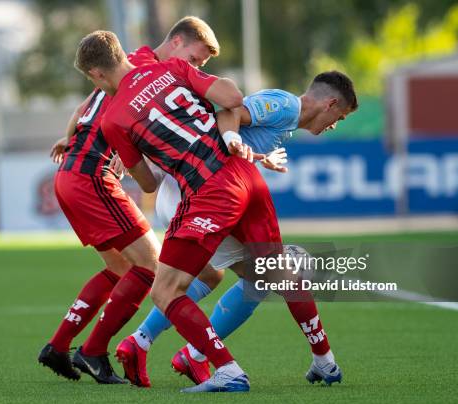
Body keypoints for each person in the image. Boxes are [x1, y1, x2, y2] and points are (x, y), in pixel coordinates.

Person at [75, 29, 283, 392]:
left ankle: (226, 369)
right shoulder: (171, 67)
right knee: (260, 272)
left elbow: (149, 184)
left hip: (205, 191)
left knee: (165, 290)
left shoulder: (113, 120)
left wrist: (140, 156)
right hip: (243, 176)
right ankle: (323, 358)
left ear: (95, 74)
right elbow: (233, 97)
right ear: (121, 53)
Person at [121, 73, 358, 387]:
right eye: (338, 117)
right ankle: (197, 354)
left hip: (202, 191)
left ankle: (146, 343)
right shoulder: (286, 105)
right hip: (202, 194)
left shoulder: (286, 121)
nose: (333, 125)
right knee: (272, 275)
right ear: (329, 104)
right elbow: (231, 111)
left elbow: (229, 135)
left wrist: (256, 156)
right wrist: (233, 139)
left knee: (214, 276)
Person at [38, 16, 224, 385]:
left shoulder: (130, 63)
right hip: (93, 177)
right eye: (196, 57)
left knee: (121, 269)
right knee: (149, 267)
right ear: (175, 42)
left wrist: (69, 137)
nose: (197, 66)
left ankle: (59, 346)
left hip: (73, 174)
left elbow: (82, 110)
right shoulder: (145, 74)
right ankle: (93, 352)